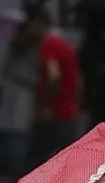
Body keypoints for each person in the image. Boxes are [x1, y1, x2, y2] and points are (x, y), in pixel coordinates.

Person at [25, 9, 81, 171]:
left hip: (53, 114)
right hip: (69, 111)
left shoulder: (48, 44)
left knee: (33, 161)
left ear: (38, 24)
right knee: (67, 162)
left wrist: (47, 105)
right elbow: (78, 80)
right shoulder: (67, 45)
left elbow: (53, 75)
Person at [0, 18, 40, 183]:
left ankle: (20, 180)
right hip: (16, 103)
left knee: (17, 142)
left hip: (22, 104)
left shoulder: (31, 50)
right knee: (14, 141)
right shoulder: (17, 51)